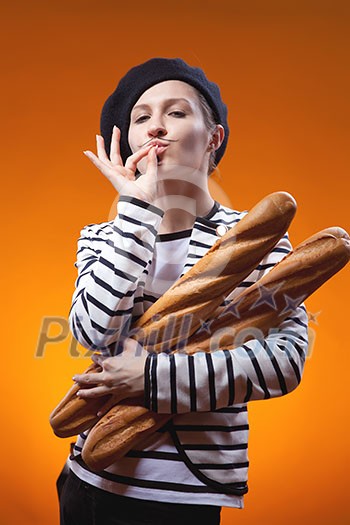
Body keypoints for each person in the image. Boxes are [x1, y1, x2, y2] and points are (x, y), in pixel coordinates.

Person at [58, 58, 308, 525]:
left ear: (213, 137)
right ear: (127, 142)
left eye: (176, 113)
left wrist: (151, 378)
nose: (156, 127)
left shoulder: (259, 237)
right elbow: (94, 335)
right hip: (89, 478)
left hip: (188, 495)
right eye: (141, 117)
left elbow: (285, 361)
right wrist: (136, 210)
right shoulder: (102, 235)